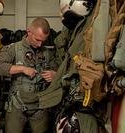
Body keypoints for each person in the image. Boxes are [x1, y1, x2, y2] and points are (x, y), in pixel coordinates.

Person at [37, 0, 109, 132]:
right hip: (73, 103)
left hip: (82, 103)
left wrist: (60, 77)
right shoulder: (79, 29)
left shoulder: (91, 27)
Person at [0, 17, 58, 133]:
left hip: (40, 106)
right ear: (28, 32)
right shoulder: (14, 49)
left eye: (43, 41)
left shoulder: (47, 53)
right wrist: (22, 69)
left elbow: (59, 71)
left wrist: (54, 74)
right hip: (17, 104)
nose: (40, 43)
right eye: (37, 39)